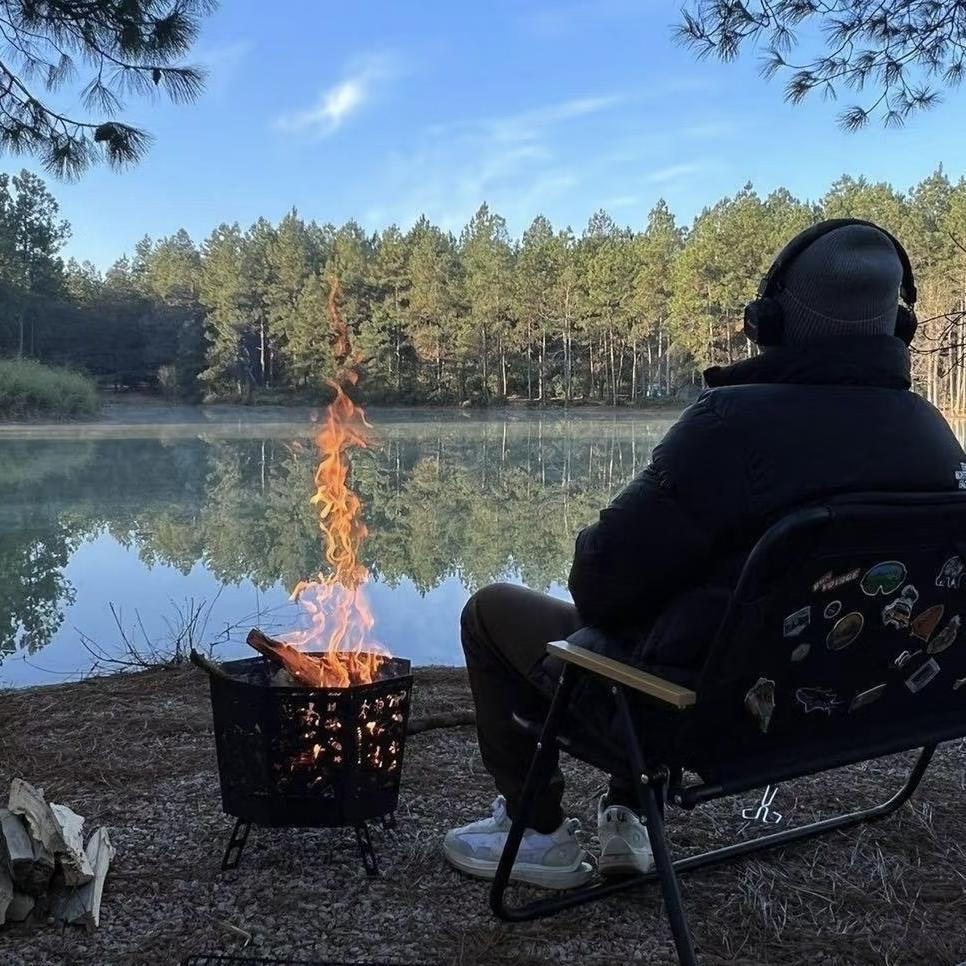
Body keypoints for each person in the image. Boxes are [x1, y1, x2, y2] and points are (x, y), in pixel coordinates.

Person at [443, 220, 966, 890]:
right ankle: (629, 818)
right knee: (687, 607)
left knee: (491, 611)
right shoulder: (933, 433)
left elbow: (599, 585)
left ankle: (537, 830)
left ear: (768, 320)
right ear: (898, 328)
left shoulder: (730, 427)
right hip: (864, 705)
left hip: (708, 719)